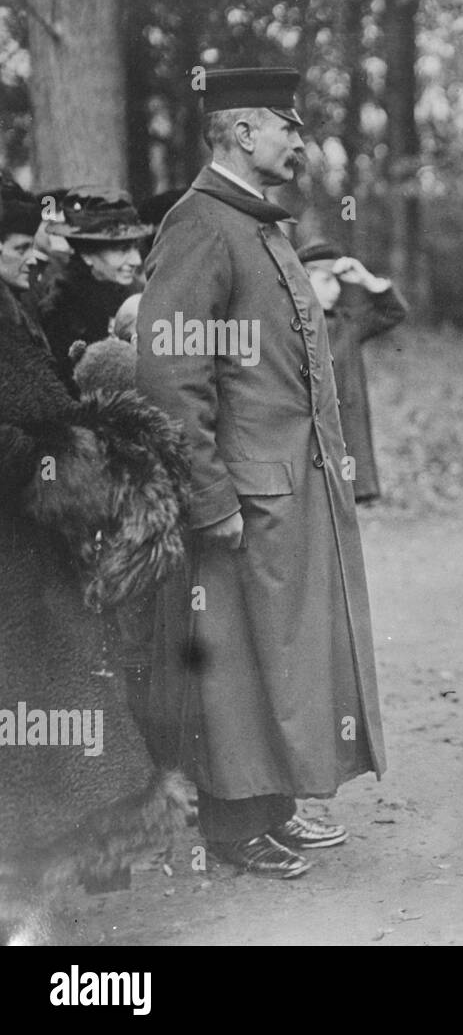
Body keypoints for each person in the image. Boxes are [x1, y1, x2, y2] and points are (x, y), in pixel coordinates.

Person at [135, 67, 386, 879]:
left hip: (290, 487)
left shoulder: (259, 225)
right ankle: (233, 825)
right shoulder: (200, 226)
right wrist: (210, 500)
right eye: (291, 127)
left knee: (287, 654)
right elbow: (173, 378)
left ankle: (272, 806)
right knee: (238, 661)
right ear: (245, 132)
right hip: (243, 494)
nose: (302, 142)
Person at [1, 185, 189, 942]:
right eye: (15, 243)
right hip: (15, 563)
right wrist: (53, 460)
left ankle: (31, 899)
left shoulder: (14, 309)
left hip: (25, 562)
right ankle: (22, 905)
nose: (30, 253)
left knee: (41, 737)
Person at [296, 239, 408, 503]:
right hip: (305, 447)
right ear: (303, 280)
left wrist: (367, 279)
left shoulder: (347, 324)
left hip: (344, 445)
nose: (336, 289)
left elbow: (394, 312)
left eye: (338, 281)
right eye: (326, 281)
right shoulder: (288, 326)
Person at [40, 187, 149, 392]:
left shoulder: (135, 291)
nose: (135, 260)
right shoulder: (61, 305)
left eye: (135, 247)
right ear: (87, 253)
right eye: (122, 250)